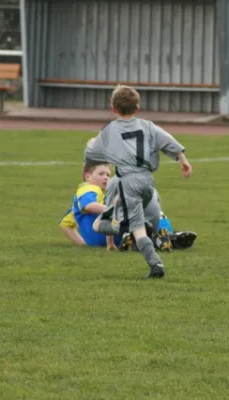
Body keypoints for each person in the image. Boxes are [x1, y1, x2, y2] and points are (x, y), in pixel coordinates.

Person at [84, 85, 192, 279]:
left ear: (113, 108)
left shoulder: (110, 130)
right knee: (122, 211)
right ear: (137, 108)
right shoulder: (147, 125)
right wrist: (182, 160)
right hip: (147, 181)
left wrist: (91, 142)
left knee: (109, 227)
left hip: (129, 183)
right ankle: (137, 226)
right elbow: (168, 141)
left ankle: (155, 263)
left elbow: (92, 153)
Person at [59, 162, 120, 248]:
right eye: (101, 174)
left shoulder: (84, 200)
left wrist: (83, 244)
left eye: (108, 175)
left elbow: (64, 224)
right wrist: (116, 210)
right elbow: (89, 206)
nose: (106, 177)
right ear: (88, 176)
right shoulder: (89, 188)